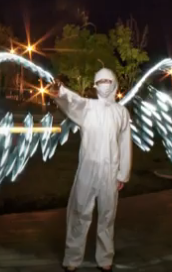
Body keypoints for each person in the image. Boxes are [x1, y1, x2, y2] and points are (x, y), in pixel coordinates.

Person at [53, 68, 132, 272]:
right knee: (79, 212)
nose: (104, 83)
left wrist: (123, 173)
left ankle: (105, 258)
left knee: (107, 216)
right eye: (100, 80)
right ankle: (72, 258)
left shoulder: (121, 112)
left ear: (114, 83)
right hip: (87, 169)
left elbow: (125, 144)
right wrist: (61, 92)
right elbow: (74, 102)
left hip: (110, 172)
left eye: (107, 80)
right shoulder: (88, 108)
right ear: (95, 85)